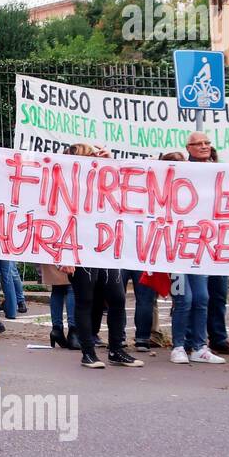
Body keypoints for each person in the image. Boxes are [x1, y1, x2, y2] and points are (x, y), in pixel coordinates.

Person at [58, 144, 144, 370]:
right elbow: (60, 219)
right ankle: (88, 353)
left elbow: (126, 194)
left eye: (94, 157)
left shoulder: (104, 183)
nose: (93, 161)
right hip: (80, 251)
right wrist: (66, 254)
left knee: (117, 298)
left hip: (105, 250)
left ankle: (117, 349)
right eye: (89, 157)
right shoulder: (66, 186)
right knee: (86, 301)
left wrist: (111, 162)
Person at [185, 132, 229, 357]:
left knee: (218, 292)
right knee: (196, 296)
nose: (204, 146)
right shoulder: (182, 169)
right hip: (194, 242)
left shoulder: (219, 169)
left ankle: (218, 338)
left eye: (207, 143)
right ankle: (191, 339)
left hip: (217, 241)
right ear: (188, 148)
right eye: (198, 144)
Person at [42, 263, 78, 349]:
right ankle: (73, 332)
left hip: (52, 253)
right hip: (67, 252)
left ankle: (56, 330)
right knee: (71, 286)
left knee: (57, 287)